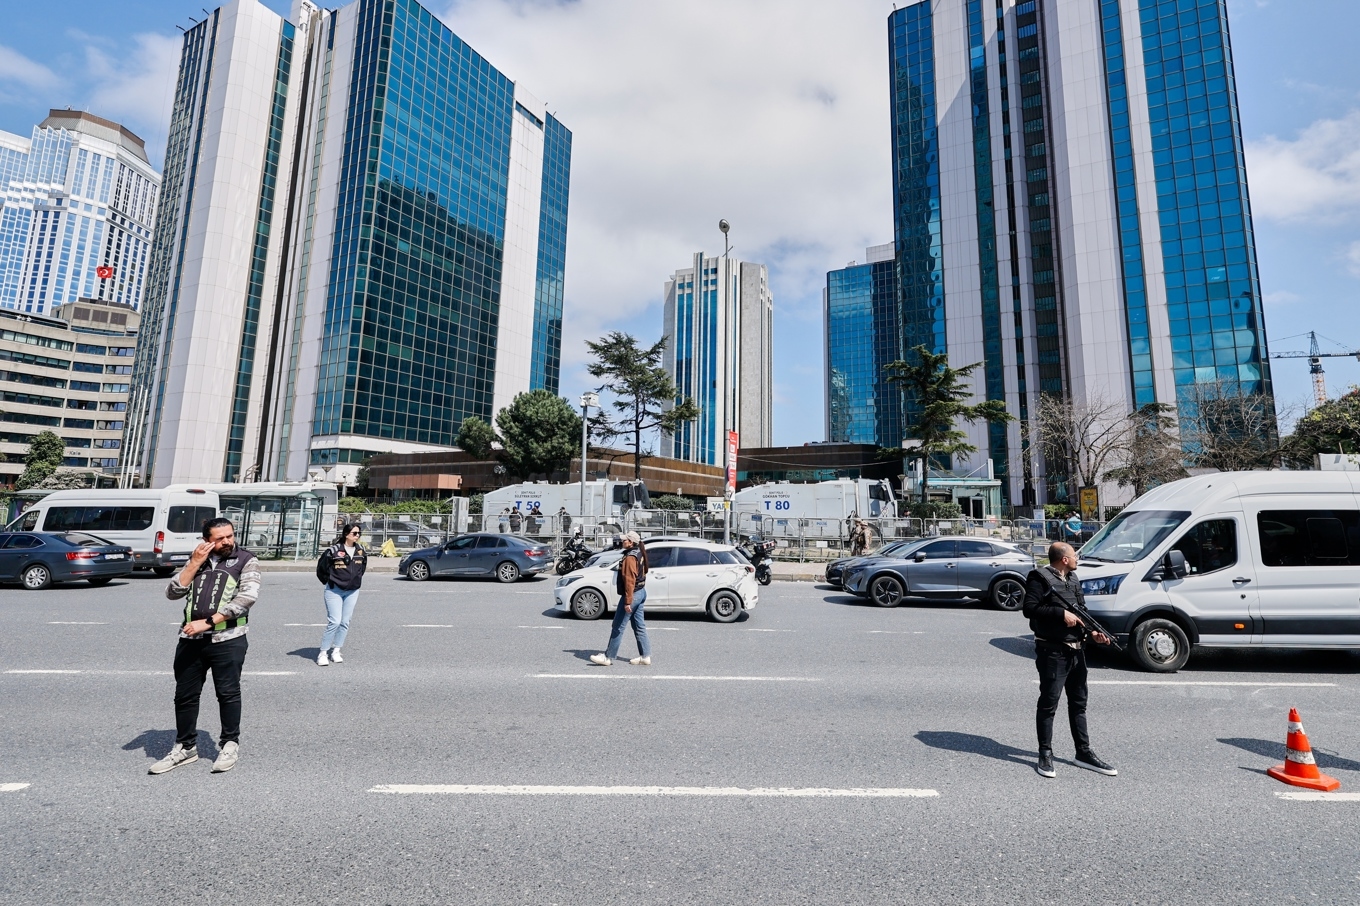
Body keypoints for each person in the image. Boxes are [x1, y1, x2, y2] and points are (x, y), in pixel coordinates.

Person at [148, 518, 260, 775]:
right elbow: (172, 592)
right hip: (190, 639)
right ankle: (185, 747)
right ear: (207, 540)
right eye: (220, 538)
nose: (227, 541)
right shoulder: (197, 560)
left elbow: (247, 598)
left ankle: (230, 744)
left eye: (230, 536)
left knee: (228, 693)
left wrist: (208, 623)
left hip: (228, 638)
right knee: (185, 695)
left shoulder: (246, 560)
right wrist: (195, 563)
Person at [1022, 541, 1117, 779]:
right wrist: (1059, 613)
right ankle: (1045, 754)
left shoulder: (1073, 579)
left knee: (1078, 703)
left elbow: (1081, 610)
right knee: (1048, 704)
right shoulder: (1038, 578)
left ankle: (1083, 752)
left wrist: (1092, 634)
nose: (1077, 559)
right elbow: (1029, 608)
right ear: (1064, 559)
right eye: (1074, 555)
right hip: (1052, 651)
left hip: (1077, 650)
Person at [590, 532, 651, 667]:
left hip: (633, 594)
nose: (622, 542)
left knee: (618, 626)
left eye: (625, 540)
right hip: (641, 592)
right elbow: (645, 570)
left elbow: (630, 581)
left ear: (631, 542)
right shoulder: (639, 552)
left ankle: (608, 657)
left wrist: (628, 601)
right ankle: (645, 656)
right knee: (639, 626)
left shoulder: (630, 557)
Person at [316, 522, 368, 666]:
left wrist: (356, 581)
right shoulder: (333, 550)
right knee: (335, 621)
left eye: (359, 533)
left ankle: (336, 650)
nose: (357, 536)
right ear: (346, 534)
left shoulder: (361, 550)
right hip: (334, 590)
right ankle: (323, 653)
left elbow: (362, 568)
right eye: (354, 533)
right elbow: (321, 568)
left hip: (352, 591)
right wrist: (329, 581)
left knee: (345, 622)